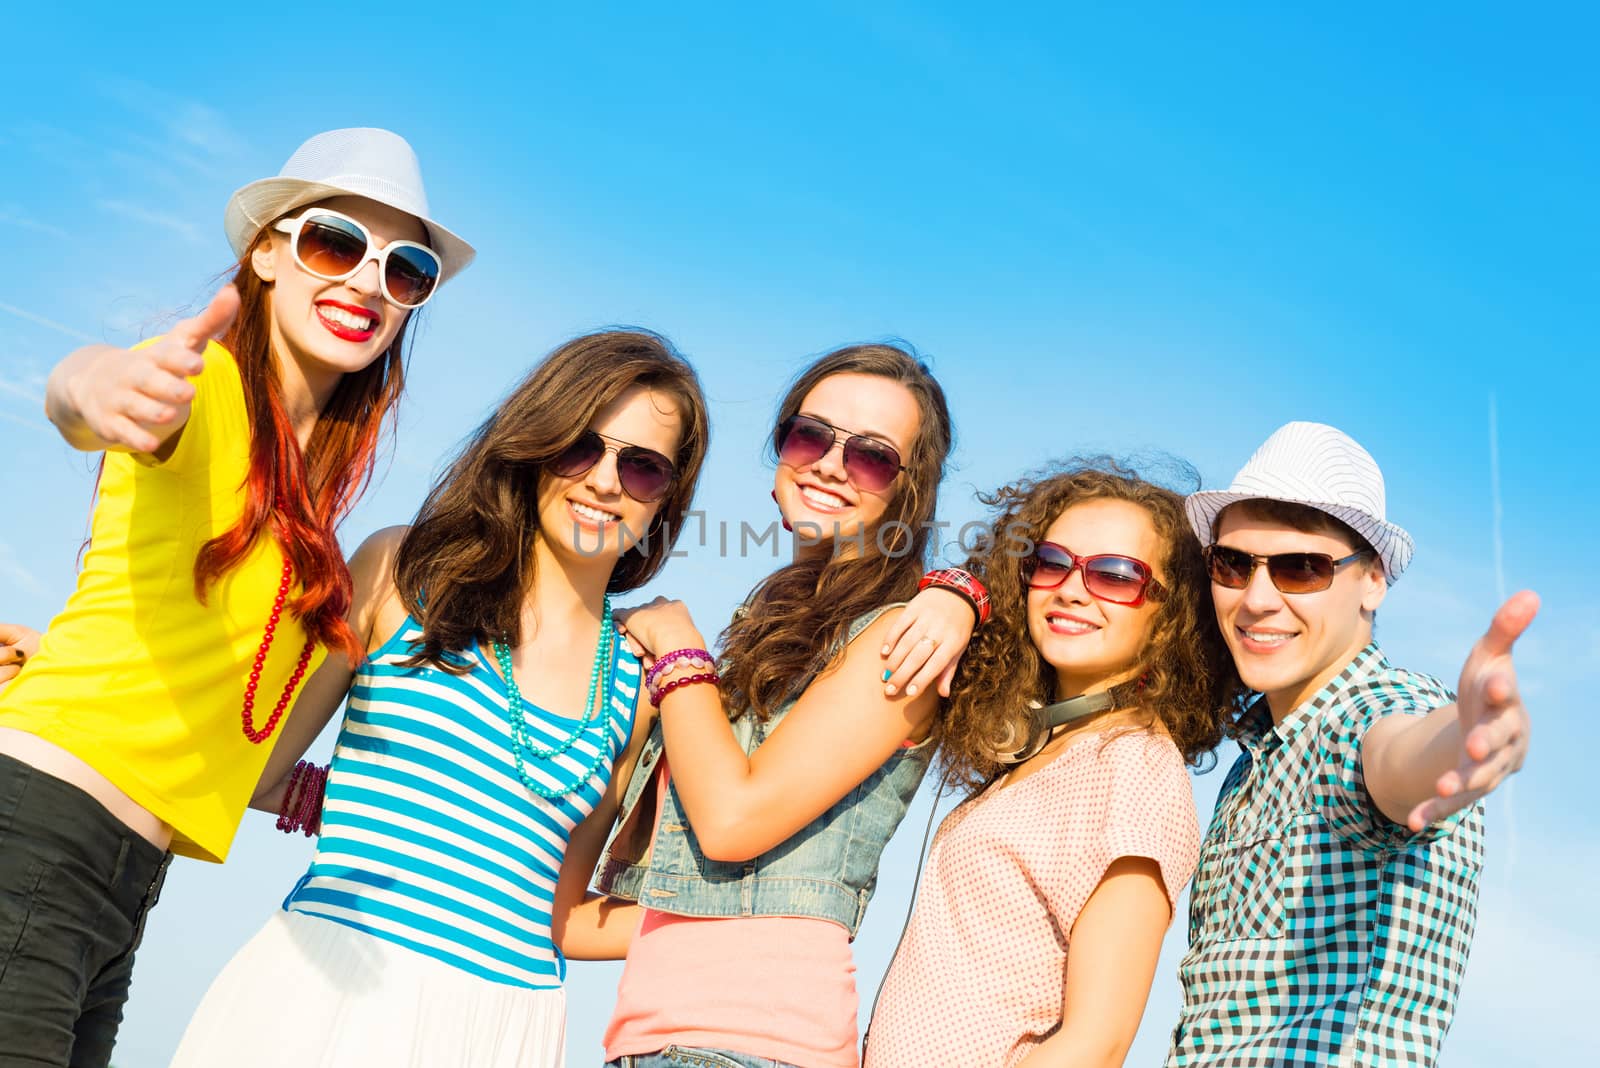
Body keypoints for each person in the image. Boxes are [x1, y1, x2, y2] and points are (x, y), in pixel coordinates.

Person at [0, 127, 473, 1067]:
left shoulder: (310, 500)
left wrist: (313, 784)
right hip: (41, 834)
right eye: (336, 243)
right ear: (265, 251)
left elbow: (222, 700)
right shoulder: (202, 385)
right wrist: (97, 386)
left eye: (404, 269)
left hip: (125, 879)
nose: (367, 283)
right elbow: (84, 390)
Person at [167, 330, 709, 1067]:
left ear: (666, 498)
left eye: (642, 466)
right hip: (323, 985)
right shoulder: (401, 571)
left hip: (501, 1026)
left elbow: (565, 911)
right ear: (536, 442)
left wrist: (748, 927)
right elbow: (254, 763)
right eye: (580, 445)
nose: (605, 481)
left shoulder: (638, 688)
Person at [562, 342, 958, 1068]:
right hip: (657, 1044)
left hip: (748, 1049)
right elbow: (582, 922)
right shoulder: (769, 644)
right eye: (810, 435)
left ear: (909, 488)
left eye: (871, 455)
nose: (831, 465)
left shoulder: (899, 637)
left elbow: (732, 823)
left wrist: (681, 654)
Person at [1168, 421, 1538, 1068]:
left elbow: (1398, 754)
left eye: (1301, 569)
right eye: (1231, 565)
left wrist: (1468, 737)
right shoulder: (1252, 760)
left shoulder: (1367, 712)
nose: (1256, 599)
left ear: (1373, 580)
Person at [864, 461, 1243, 1067]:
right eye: (1051, 562)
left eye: (1117, 575)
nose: (1071, 588)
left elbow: (1096, 1043)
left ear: (1173, 618)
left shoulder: (1135, 770)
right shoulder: (1054, 748)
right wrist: (954, 593)